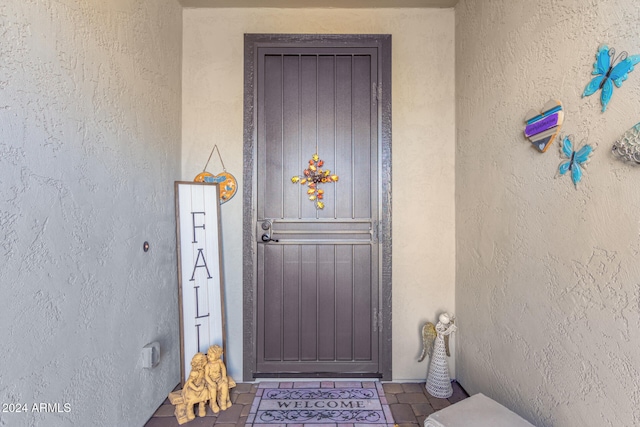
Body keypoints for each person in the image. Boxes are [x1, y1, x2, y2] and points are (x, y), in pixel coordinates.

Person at [204, 345, 231, 413]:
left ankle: (223, 400)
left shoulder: (219, 362)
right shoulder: (208, 365)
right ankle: (213, 403)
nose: (208, 357)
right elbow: (206, 376)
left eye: (211, 356)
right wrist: (211, 382)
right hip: (211, 380)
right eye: (208, 355)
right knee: (213, 389)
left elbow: (223, 368)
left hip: (218, 378)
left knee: (224, 385)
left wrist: (224, 376)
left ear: (217, 356)